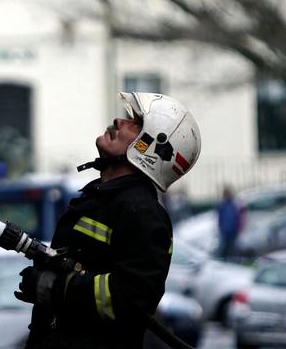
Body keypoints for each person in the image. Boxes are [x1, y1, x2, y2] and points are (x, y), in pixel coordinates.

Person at [14, 92, 201, 349]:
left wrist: (55, 287)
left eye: (135, 124)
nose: (118, 121)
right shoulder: (102, 199)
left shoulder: (143, 214)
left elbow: (131, 298)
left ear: (152, 148)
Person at [216, 186, 241, 261]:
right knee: (223, 247)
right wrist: (221, 228)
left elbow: (237, 218)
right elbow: (220, 218)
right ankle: (222, 260)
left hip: (233, 231)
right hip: (225, 231)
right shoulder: (222, 205)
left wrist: (237, 228)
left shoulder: (233, 205)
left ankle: (232, 261)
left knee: (232, 248)